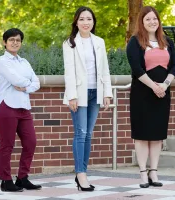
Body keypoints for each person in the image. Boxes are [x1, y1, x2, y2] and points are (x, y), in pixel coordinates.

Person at [126, 6, 175, 188]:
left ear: (158, 21)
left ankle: (153, 172)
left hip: (163, 93)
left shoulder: (167, 41)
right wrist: (154, 86)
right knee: (141, 135)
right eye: (147, 19)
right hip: (142, 94)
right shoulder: (135, 42)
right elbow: (137, 69)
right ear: (142, 22)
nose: (151, 22)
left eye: (154, 19)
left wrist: (164, 85)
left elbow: (174, 67)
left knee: (157, 135)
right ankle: (142, 172)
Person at [63, 6, 113, 191]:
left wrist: (107, 93)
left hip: (95, 93)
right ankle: (81, 174)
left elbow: (105, 69)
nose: (86, 22)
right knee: (80, 133)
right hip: (79, 94)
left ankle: (82, 172)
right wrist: (72, 96)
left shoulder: (99, 41)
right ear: (76, 22)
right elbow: (69, 72)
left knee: (88, 134)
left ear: (93, 22)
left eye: (89, 19)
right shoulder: (69, 43)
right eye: (82, 19)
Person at [0, 28, 41, 192]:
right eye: (11, 40)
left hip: (24, 107)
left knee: (31, 142)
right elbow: (16, 80)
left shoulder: (25, 62)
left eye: (18, 40)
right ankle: (6, 181)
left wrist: (26, 86)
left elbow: (37, 83)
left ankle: (22, 178)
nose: (15, 42)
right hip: (6, 107)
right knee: (7, 145)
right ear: (5, 42)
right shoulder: (2, 61)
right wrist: (27, 83)